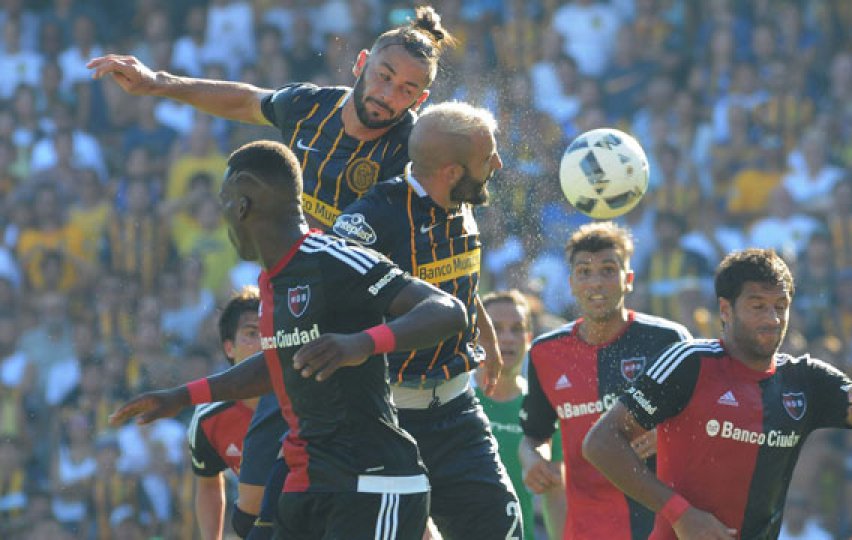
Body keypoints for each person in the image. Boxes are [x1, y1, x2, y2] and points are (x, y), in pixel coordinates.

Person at [110, 140, 469, 540]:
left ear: (242, 204)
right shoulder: (272, 282)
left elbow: (447, 310)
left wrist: (360, 344)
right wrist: (181, 396)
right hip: (308, 480)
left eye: (224, 202)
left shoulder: (329, 257)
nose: (224, 216)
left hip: (370, 481)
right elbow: (279, 363)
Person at [582, 248, 852, 540]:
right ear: (725, 310)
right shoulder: (691, 362)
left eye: (781, 305)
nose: (773, 318)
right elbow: (600, 442)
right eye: (758, 306)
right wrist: (680, 513)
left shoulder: (805, 379)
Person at [325, 101, 519, 538]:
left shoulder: (461, 198)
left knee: (501, 524)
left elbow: (453, 280)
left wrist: (484, 330)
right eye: (488, 158)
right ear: (451, 171)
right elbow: (329, 309)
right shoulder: (369, 222)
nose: (497, 165)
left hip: (457, 408)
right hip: (385, 421)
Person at [87, 5, 456, 230]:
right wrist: (157, 83)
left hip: (364, 312)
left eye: (406, 90)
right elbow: (245, 101)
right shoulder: (310, 106)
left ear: (420, 100)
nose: (388, 95)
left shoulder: (414, 152)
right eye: (384, 76)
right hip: (289, 289)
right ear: (361, 63)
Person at [519, 222, 693, 539]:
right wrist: (534, 459)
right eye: (584, 272)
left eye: (608, 270)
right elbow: (533, 435)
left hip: (660, 525)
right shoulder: (546, 352)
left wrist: (668, 436)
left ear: (628, 279)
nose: (596, 282)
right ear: (571, 283)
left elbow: (702, 420)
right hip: (585, 528)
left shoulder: (668, 340)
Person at [474, 290, 566, 540]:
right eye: (496, 328)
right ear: (476, 336)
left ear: (529, 338)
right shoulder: (453, 398)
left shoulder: (543, 408)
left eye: (516, 329)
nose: (507, 338)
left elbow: (556, 494)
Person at [186, 286, 261, 540]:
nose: (263, 343)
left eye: (270, 333)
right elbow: (208, 483)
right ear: (229, 348)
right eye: (252, 334)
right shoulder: (209, 418)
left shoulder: (306, 401)